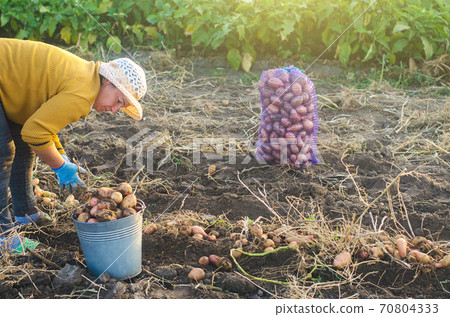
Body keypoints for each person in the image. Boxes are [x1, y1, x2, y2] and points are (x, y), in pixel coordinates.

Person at [0, 38, 147, 251]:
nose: (115, 110)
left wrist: (60, 153)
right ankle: (3, 236)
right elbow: (35, 134)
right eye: (118, 101)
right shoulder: (82, 94)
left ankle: (26, 215)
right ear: (108, 81)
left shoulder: (85, 79)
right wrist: (59, 166)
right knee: (3, 151)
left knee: (22, 148)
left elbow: (41, 123)